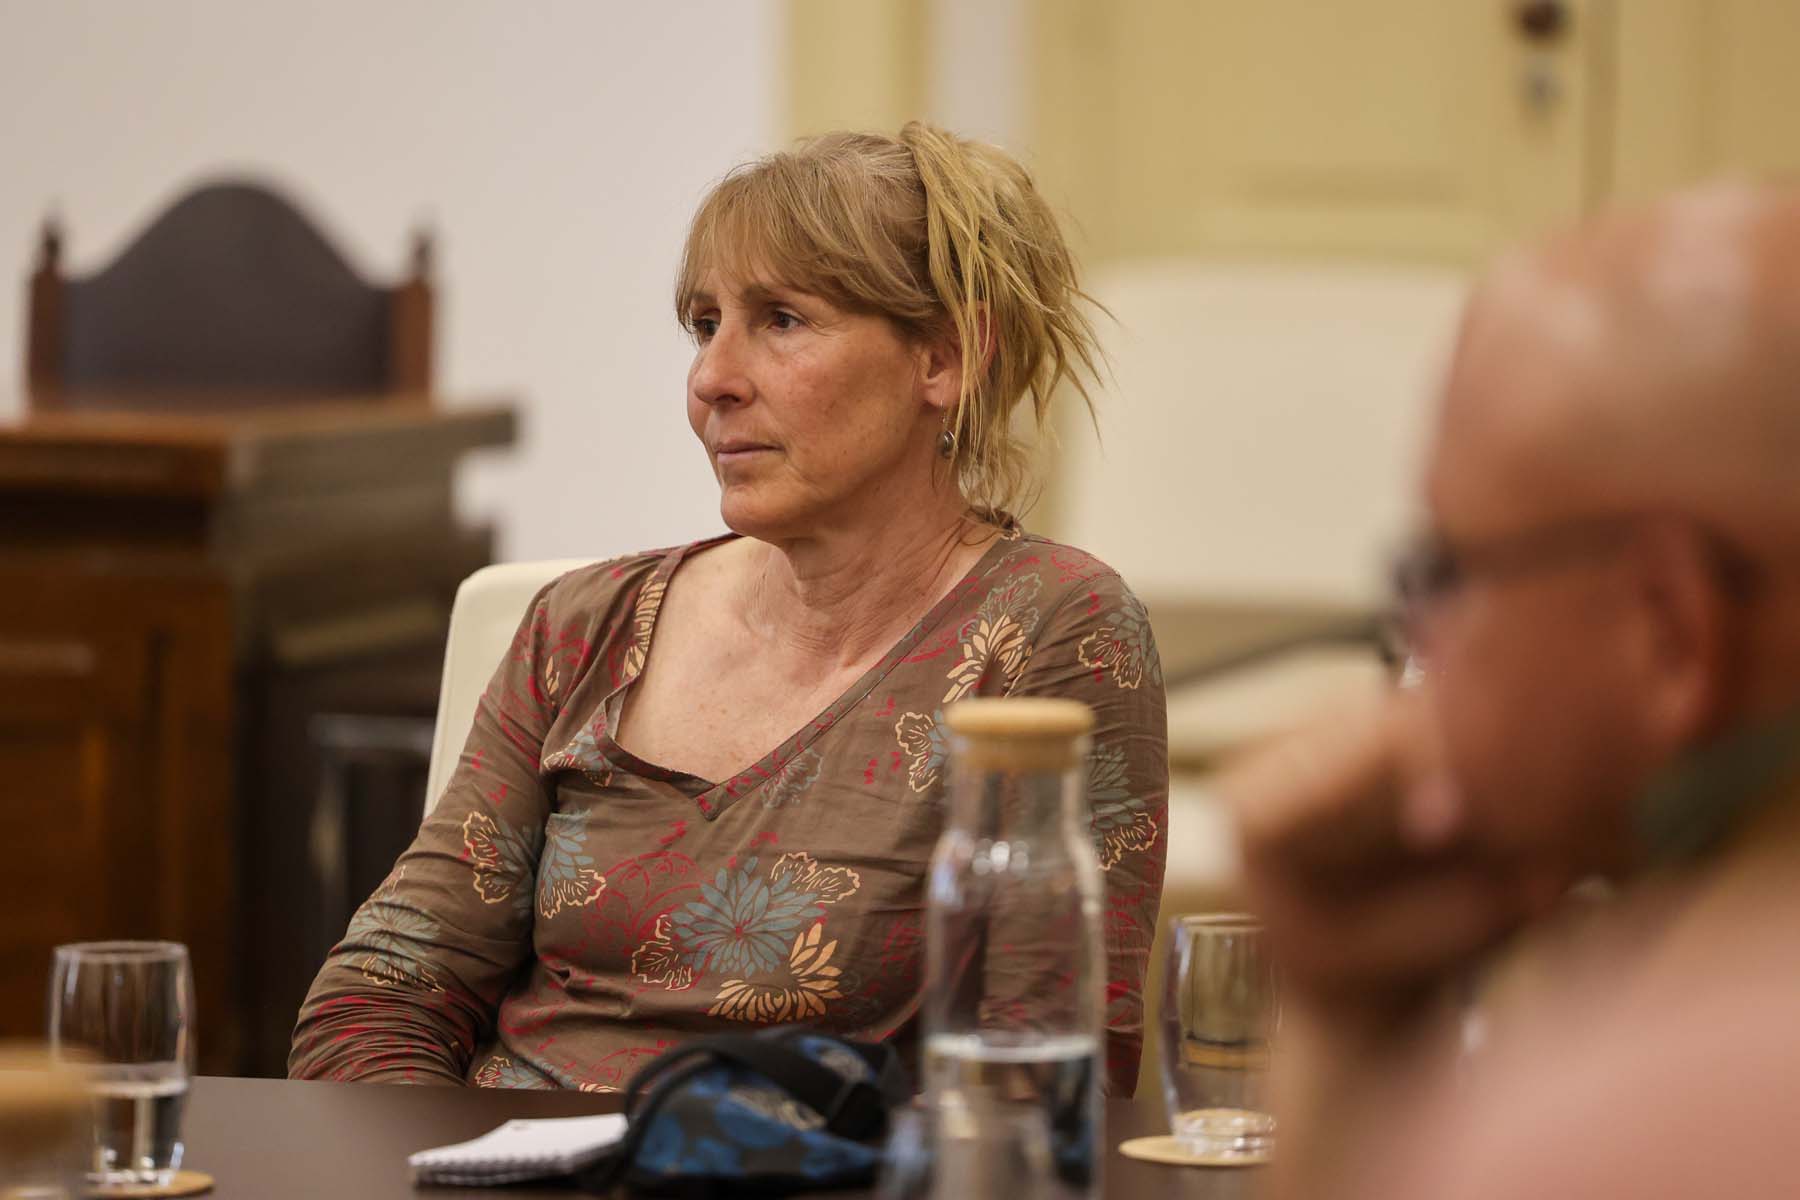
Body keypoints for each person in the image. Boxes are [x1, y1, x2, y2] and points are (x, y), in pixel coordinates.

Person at [290, 123, 1168, 1094]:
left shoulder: (1050, 634)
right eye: (706, 325)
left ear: (944, 361)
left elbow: (1042, 1081)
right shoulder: (583, 627)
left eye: (783, 320)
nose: (712, 379)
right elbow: (379, 996)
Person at [1223, 182, 1800, 1199]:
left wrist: (1337, 1038)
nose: (1417, 639)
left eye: (1445, 571)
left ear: (1669, 627)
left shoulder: (1641, 1122)